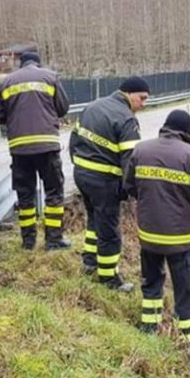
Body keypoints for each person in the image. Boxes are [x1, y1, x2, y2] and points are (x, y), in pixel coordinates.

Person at [123, 110, 190, 341]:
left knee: (151, 283)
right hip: (180, 239)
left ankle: (149, 329)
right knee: (185, 290)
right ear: (187, 132)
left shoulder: (141, 150)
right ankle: (185, 338)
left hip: (149, 235)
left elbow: (129, 186)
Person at [69, 76, 150, 292]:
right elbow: (131, 162)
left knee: (94, 220)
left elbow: (73, 140)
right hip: (104, 182)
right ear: (129, 94)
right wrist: (131, 191)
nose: (143, 104)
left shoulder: (93, 106)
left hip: (82, 175)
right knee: (109, 231)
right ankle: (109, 279)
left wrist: (79, 166)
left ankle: (89, 261)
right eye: (141, 98)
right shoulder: (126, 119)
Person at [0, 51, 70, 251]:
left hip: (20, 148)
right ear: (38, 63)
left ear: (20, 64)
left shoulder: (6, 82)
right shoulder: (50, 77)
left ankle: (28, 242)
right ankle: (53, 240)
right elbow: (63, 107)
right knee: (54, 192)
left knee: (25, 195)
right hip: (47, 145)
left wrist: (14, 118)